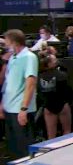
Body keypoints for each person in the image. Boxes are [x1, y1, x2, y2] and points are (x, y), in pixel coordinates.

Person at [0, 29, 38, 158]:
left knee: (23, 148)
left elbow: (30, 83)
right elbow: (8, 83)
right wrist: (2, 104)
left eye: (7, 43)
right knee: (12, 147)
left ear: (14, 43)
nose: (5, 47)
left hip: (20, 109)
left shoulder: (29, 57)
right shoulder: (12, 58)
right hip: (9, 108)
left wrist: (24, 108)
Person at [38, 52, 71, 139]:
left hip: (48, 106)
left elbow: (40, 92)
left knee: (51, 134)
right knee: (67, 131)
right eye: (55, 60)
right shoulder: (61, 75)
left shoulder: (40, 77)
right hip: (62, 104)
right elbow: (67, 89)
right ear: (50, 63)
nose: (57, 61)